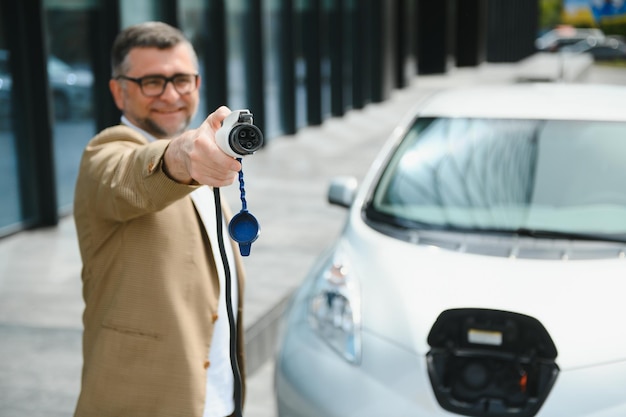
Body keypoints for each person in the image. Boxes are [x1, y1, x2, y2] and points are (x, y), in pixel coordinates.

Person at [73, 21, 247, 417]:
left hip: (219, 399)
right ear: (119, 90)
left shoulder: (208, 158)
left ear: (197, 84)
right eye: (152, 82)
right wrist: (184, 153)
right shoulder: (103, 156)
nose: (171, 95)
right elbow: (135, 173)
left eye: (181, 80)